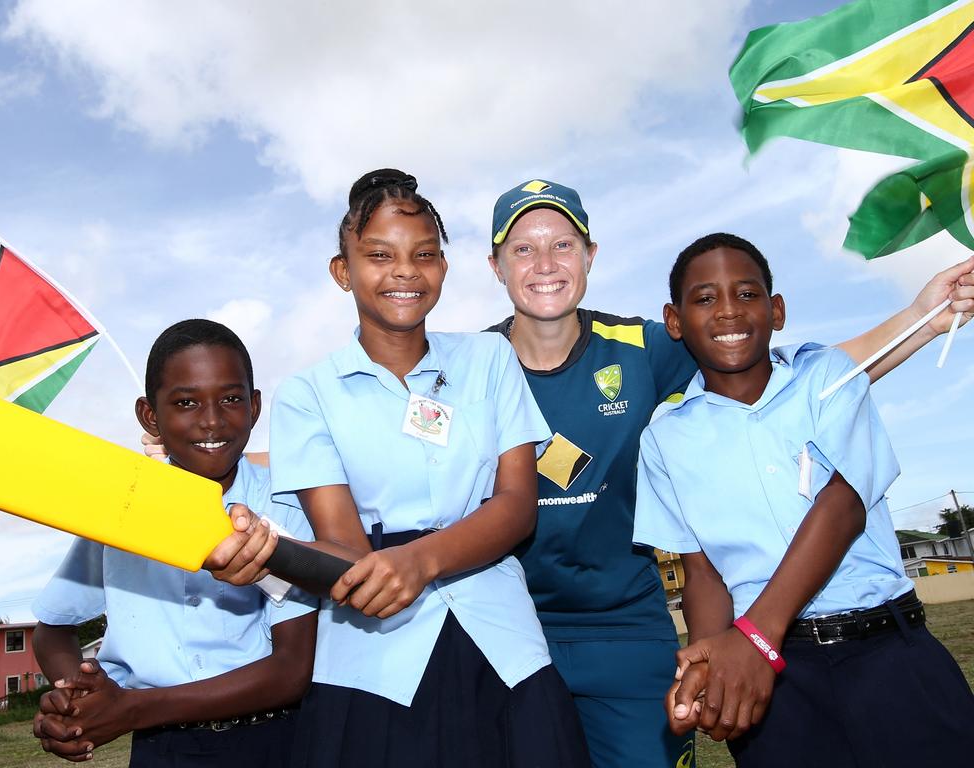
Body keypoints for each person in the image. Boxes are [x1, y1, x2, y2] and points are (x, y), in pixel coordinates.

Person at [484, 180, 974, 768]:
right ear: (495, 265)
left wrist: (921, 319)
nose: (544, 264)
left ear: (590, 255)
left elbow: (793, 377)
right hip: (514, 626)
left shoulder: (643, 345)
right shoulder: (469, 367)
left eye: (562, 245)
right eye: (522, 249)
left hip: (625, 625)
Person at [213, 169, 590, 767]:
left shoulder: (489, 359)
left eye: (424, 255)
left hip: (504, 646)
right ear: (344, 271)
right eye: (379, 255)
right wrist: (269, 552)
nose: (405, 272)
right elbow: (341, 544)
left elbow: (517, 506)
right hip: (375, 664)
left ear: (443, 267)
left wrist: (421, 560)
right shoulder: (308, 394)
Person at [632, 233, 974, 767]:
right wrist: (709, 660)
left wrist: (754, 640)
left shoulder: (830, 380)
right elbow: (702, 574)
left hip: (888, 654)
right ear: (674, 321)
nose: (727, 311)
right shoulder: (664, 438)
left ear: (777, 310)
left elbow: (843, 505)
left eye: (747, 294)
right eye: (704, 298)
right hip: (775, 684)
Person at [31, 319, 318, 767]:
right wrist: (80, 699)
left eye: (231, 399)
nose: (211, 420)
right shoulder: (119, 512)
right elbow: (52, 629)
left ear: (255, 406)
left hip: (271, 740)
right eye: (186, 402)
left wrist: (131, 708)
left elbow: (291, 671)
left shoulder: (284, 506)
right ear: (151, 416)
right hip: (160, 750)